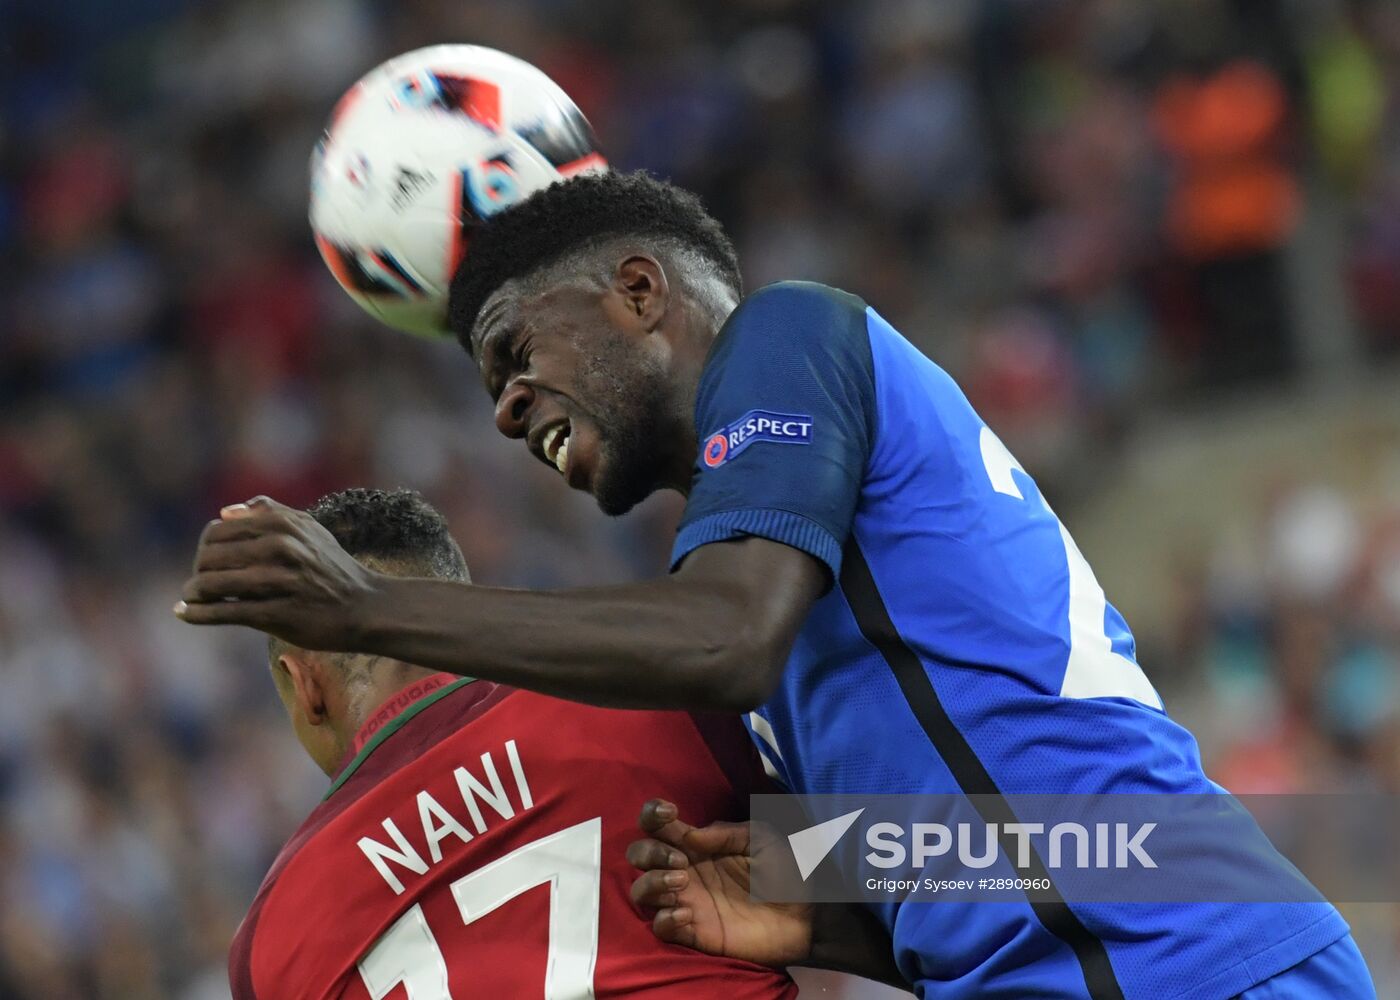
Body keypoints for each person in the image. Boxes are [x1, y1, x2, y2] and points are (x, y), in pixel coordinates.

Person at [180, 171, 1374, 999]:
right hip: (1146, 925)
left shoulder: (788, 337)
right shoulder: (770, 565)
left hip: (1166, 959)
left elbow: (724, 637)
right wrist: (811, 911)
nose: (503, 406)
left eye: (514, 350)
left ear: (640, 293)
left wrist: (362, 612)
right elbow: (1002, 841)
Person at [225, 486, 815, 999]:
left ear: (304, 687)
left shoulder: (273, 939)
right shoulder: (651, 703)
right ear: (458, 613)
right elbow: (904, 858)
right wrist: (812, 913)